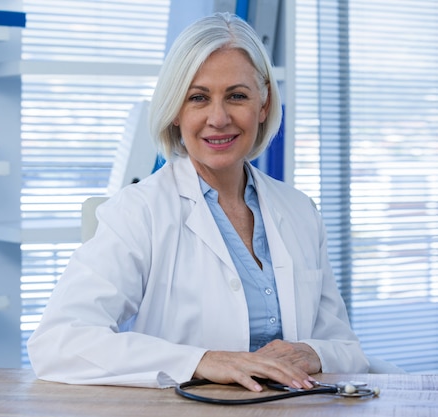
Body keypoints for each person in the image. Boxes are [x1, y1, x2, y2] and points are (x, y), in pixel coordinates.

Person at [27, 12, 369, 391]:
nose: (218, 118)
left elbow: (345, 348)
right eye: (198, 98)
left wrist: (313, 353)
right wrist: (201, 360)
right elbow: (59, 343)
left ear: (265, 104)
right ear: (176, 110)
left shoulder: (299, 210)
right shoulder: (138, 213)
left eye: (237, 96)